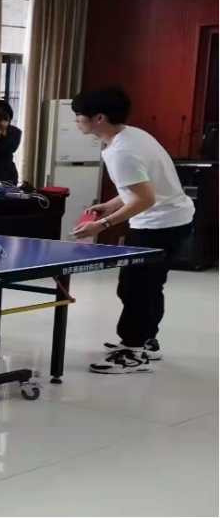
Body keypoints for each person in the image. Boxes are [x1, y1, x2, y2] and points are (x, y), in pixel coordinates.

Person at [70, 86, 194, 374]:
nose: (76, 120)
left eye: (79, 115)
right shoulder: (132, 136)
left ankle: (132, 351)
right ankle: (147, 342)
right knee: (149, 285)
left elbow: (145, 198)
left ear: (98, 118)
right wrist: (110, 206)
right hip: (171, 220)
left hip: (158, 224)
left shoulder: (121, 152)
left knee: (135, 288)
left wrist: (102, 224)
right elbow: (140, 187)